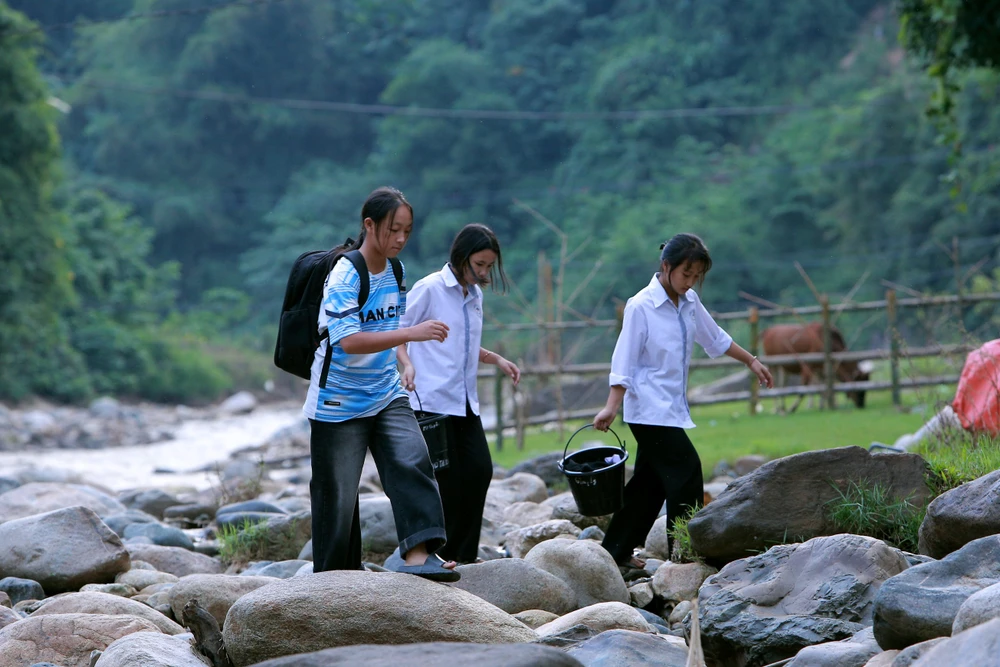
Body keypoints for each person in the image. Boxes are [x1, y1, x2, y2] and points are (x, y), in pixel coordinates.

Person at [303, 186, 459, 582]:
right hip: (339, 400)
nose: (401, 239)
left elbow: (389, 327)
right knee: (337, 497)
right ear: (369, 225)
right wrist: (415, 334)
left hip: (386, 391)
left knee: (412, 459)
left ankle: (418, 555)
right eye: (393, 230)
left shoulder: (397, 271)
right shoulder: (345, 274)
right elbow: (349, 339)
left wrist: (404, 360)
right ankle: (334, 583)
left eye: (407, 231)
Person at [593, 233, 773, 571]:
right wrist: (611, 407)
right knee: (687, 471)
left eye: (695, 277)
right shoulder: (641, 306)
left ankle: (614, 551)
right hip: (647, 410)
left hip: (671, 409)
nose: (689, 283)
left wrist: (751, 361)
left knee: (649, 484)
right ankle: (685, 553)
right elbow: (624, 360)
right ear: (666, 266)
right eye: (685, 274)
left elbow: (715, 337)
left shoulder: (689, 303)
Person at [398, 223, 521, 564]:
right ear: (461, 257)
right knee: (446, 481)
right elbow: (397, 331)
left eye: (488, 267)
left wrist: (494, 358)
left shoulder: (474, 295)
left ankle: (463, 554)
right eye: (479, 265)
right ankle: (436, 554)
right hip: (431, 400)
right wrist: (406, 364)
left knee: (480, 470)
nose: (483, 273)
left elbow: (461, 343)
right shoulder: (431, 289)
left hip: (464, 400)